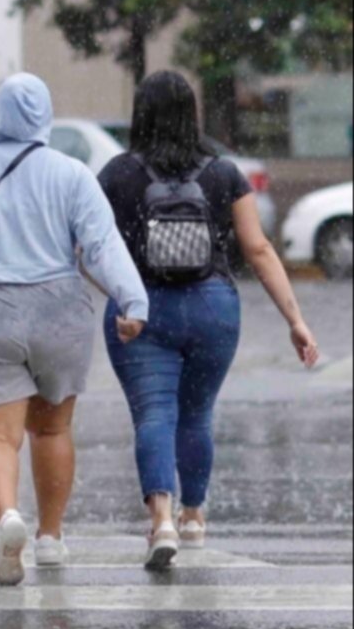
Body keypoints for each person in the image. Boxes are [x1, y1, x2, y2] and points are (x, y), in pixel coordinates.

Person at [0, 74, 149, 586]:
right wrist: (132, 300)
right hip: (57, 312)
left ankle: (7, 519)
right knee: (51, 428)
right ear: (45, 114)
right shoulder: (71, 174)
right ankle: (49, 537)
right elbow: (102, 245)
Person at [99, 71, 320, 570]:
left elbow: (89, 251)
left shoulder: (117, 174)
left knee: (155, 414)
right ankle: (194, 514)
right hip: (212, 307)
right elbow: (258, 249)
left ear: (141, 113)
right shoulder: (223, 173)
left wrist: (122, 297)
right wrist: (295, 319)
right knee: (196, 414)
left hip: (142, 309)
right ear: (190, 114)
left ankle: (162, 521)